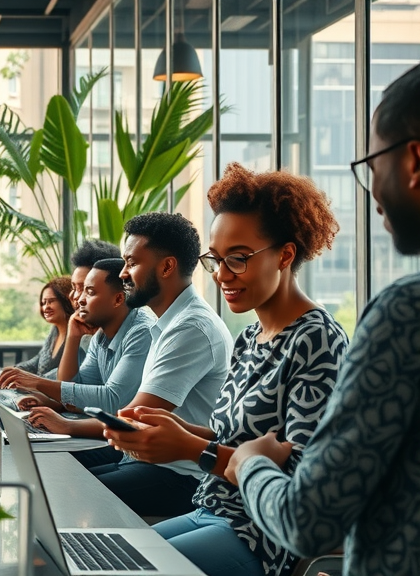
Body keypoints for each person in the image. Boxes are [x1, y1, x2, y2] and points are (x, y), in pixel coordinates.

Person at [103, 164, 348, 576]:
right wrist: (175, 429)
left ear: (285, 255)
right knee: (103, 557)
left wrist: (188, 448)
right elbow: (238, 439)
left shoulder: (316, 340)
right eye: (215, 260)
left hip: (262, 535)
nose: (221, 275)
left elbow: (301, 481)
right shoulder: (250, 337)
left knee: (126, 569)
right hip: (212, 507)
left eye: (237, 259)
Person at [225, 63, 420, 576]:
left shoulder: (406, 315)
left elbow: (310, 520)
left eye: (372, 162)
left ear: (414, 160)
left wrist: (247, 462)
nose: (372, 189)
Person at [30, 213, 233, 517]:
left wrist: (67, 426)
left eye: (132, 263)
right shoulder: (166, 323)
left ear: (166, 266)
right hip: (142, 460)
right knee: (46, 471)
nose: (123, 274)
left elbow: (133, 419)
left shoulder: (191, 328)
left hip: (182, 476)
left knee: (61, 492)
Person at [3, 258, 154, 418]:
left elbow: (113, 401)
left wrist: (38, 383)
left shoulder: (142, 333)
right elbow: (78, 386)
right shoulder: (101, 336)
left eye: (89, 292)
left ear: (118, 299)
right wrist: (73, 337)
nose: (80, 299)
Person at [10, 277, 74, 379]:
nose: (46, 307)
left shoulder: (77, 335)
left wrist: (31, 381)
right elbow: (37, 362)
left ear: (66, 300)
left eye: (51, 301)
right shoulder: (54, 330)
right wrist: (12, 370)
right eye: (43, 303)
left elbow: (61, 375)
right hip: (39, 390)